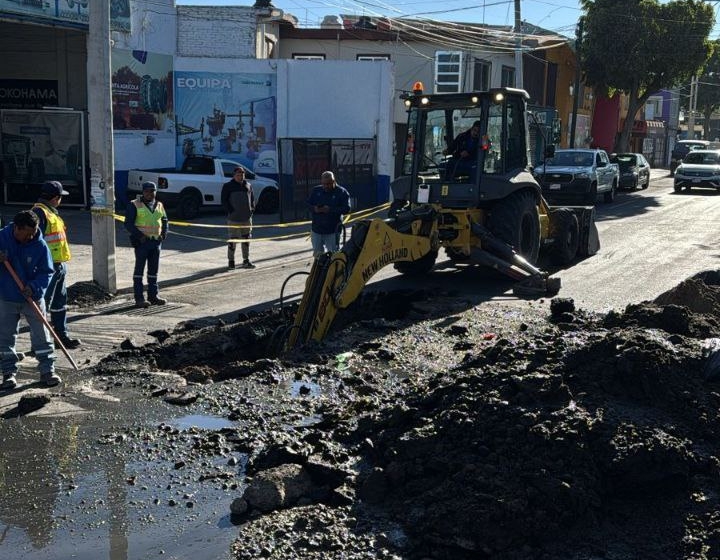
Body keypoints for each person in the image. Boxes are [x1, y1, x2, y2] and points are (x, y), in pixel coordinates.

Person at [0, 210, 60, 389]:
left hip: (31, 297)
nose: (30, 237)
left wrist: (34, 287)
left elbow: (47, 272)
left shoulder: (39, 245)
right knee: (5, 337)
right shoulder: (2, 238)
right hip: (6, 296)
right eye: (26, 234)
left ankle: (47, 371)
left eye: (33, 233)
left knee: (42, 335)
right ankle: (8, 373)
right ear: (16, 228)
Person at [31, 180, 81, 349]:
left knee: (59, 303)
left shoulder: (51, 213)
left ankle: (61, 336)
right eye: (60, 197)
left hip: (58, 265)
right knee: (43, 304)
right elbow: (35, 242)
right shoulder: (40, 213)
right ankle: (40, 342)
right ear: (55, 198)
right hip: (47, 268)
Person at [124, 181, 169, 308]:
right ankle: (139, 298)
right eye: (147, 191)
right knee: (139, 271)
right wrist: (140, 236)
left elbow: (165, 220)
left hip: (155, 242)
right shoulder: (134, 205)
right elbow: (128, 224)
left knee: (153, 271)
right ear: (143, 192)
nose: (150, 193)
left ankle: (153, 296)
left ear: (155, 192)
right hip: (142, 243)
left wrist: (164, 233)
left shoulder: (159, 205)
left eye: (152, 191)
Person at [307, 171, 351, 257]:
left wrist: (330, 209)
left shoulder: (342, 192)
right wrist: (314, 209)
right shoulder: (316, 190)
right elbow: (308, 204)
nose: (326, 186)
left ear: (334, 181)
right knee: (318, 256)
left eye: (328, 184)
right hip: (317, 230)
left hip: (332, 231)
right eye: (324, 184)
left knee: (334, 256)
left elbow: (347, 208)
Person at [221, 166, 255, 269]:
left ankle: (246, 260)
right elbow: (224, 201)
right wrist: (231, 211)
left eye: (242, 174)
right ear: (234, 175)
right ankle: (231, 261)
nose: (240, 176)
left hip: (246, 219)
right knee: (233, 240)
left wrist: (251, 210)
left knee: (246, 239)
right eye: (238, 175)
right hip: (233, 219)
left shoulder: (248, 185)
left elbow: (252, 199)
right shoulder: (228, 186)